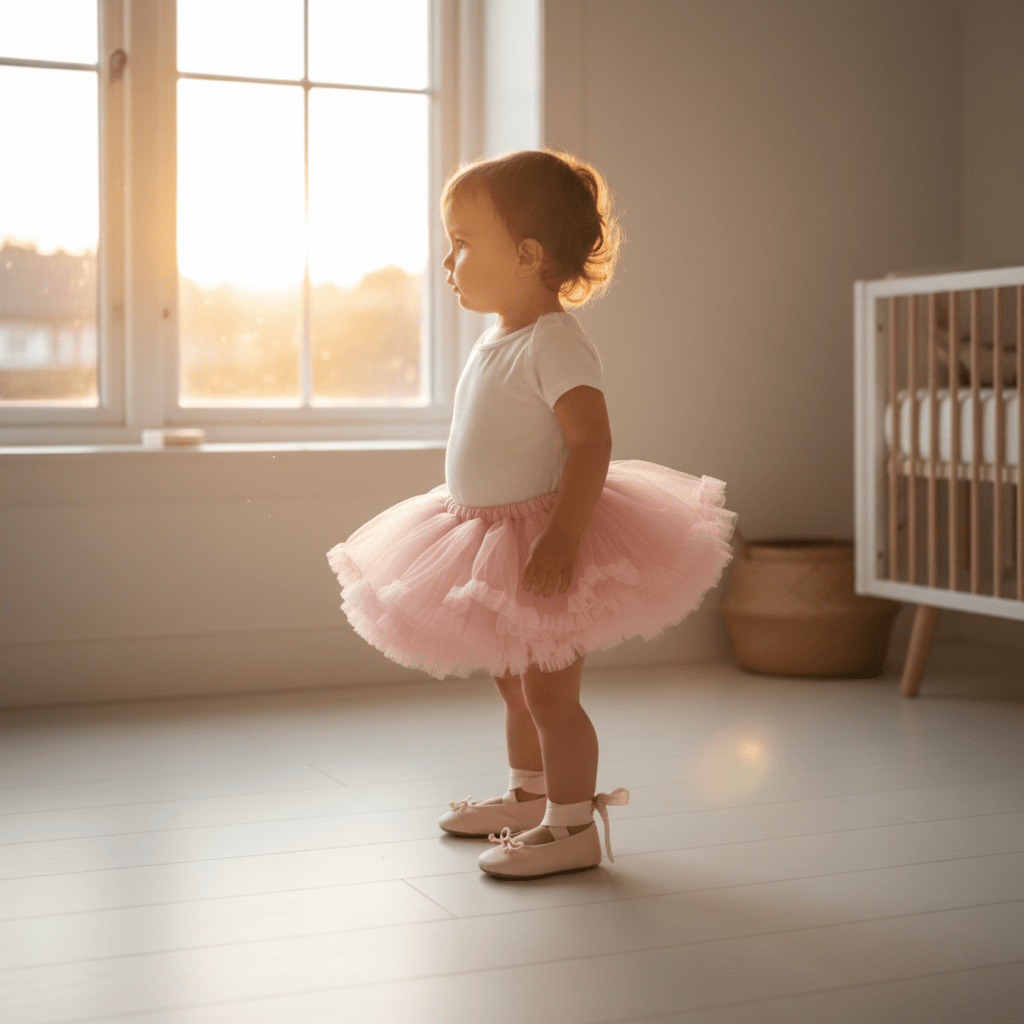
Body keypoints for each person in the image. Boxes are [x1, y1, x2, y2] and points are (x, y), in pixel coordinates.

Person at [327, 149, 736, 880]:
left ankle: (573, 825)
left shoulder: (554, 340)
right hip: (485, 534)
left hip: (542, 537)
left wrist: (565, 534)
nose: (447, 258)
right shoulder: (498, 338)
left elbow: (591, 441)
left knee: (549, 688)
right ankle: (529, 795)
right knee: (511, 677)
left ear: (526, 255)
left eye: (461, 240)